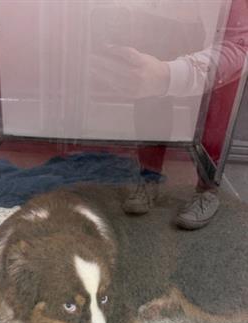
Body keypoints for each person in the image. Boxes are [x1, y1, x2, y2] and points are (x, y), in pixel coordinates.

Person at [92, 0, 248, 229]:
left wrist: (168, 76)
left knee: (217, 108)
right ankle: (149, 177)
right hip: (163, 18)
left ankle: (207, 188)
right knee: (149, 99)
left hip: (218, 23)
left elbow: (239, 46)